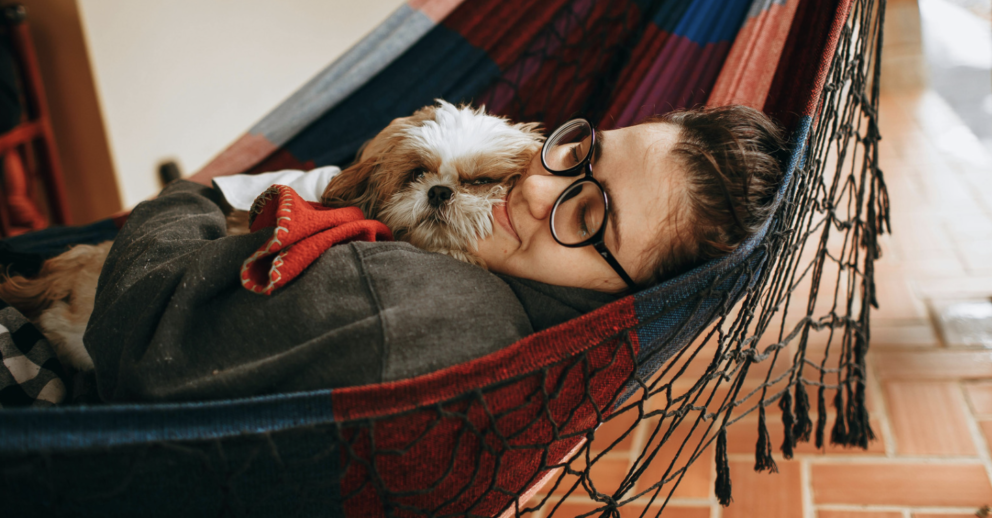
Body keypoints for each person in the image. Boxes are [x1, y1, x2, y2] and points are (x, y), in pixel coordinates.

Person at [82, 105, 785, 403]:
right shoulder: (517, 304)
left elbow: (134, 334)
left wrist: (186, 198)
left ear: (636, 299)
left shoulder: (409, 309)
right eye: (581, 151)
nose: (537, 183)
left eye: (589, 213)